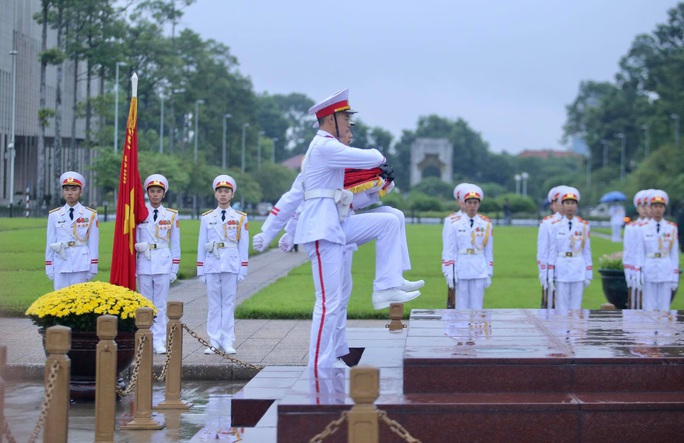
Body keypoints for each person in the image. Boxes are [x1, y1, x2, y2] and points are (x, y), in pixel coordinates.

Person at [297, 88, 421, 371]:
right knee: (328, 303)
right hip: (320, 230)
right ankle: (318, 366)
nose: (348, 124)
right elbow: (372, 157)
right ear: (331, 119)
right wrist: (379, 159)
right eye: (345, 118)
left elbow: (348, 198)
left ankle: (387, 286)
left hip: (336, 225)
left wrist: (377, 187)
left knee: (389, 219)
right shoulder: (324, 146)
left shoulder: (328, 147)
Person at [196, 175, 249, 355]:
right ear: (215, 194)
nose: (223, 194)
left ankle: (228, 341)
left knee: (228, 303)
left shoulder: (240, 217)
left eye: (227, 191)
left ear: (232, 194)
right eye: (220, 191)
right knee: (213, 305)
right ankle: (214, 341)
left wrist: (243, 268)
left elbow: (243, 245)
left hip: (231, 264)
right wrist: (200, 269)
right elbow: (201, 244)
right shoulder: (207, 218)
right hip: (212, 264)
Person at [134, 174, 180, 354]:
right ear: (147, 193)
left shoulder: (170, 215)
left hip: (162, 261)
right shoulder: (140, 213)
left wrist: (174, 267)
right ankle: (146, 337)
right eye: (152, 191)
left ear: (163, 194)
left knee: (160, 304)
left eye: (158, 192)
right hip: (144, 262)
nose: (155, 195)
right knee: (145, 303)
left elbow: (175, 244)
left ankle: (160, 340)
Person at [441, 184, 494, 309]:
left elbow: (488, 250)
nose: (472, 206)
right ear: (464, 203)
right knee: (461, 306)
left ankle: (476, 329)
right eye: (469, 202)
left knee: (477, 306)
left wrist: (489, 272)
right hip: (461, 267)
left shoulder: (486, 224)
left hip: (479, 268)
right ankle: (461, 329)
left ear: (479, 204)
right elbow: (450, 249)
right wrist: (449, 271)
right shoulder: (455, 224)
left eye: (475, 203)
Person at [45, 171, 99, 290]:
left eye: (74, 189)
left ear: (80, 192)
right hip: (61, 261)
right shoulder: (55, 215)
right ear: (63, 191)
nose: (70, 193)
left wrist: (93, 265)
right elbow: (50, 242)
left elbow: (93, 242)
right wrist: (49, 265)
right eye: (67, 189)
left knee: (79, 299)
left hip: (81, 262)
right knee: (60, 298)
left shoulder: (90, 214)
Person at [547, 187, 592, 310]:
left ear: (576, 206)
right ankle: (562, 330)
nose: (570, 206)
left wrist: (588, 273)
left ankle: (575, 329)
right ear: (562, 205)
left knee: (576, 306)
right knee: (562, 305)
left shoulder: (583, 226)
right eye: (567, 203)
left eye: (573, 203)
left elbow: (587, 251)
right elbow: (552, 251)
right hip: (561, 266)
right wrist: (551, 275)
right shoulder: (555, 226)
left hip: (578, 266)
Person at [634, 190, 679, 311]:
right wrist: (639, 272)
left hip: (665, 268)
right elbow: (640, 252)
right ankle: (649, 330)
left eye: (660, 206)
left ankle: (663, 330)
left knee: (664, 307)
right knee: (649, 306)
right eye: (655, 206)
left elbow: (674, 254)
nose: (658, 209)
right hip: (649, 267)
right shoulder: (643, 228)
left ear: (664, 209)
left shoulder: (671, 228)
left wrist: (675, 276)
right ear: (650, 208)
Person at [536, 185, 567, 308]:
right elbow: (543, 250)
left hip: (571, 269)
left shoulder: (578, 223)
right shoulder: (547, 223)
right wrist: (544, 271)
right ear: (553, 204)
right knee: (551, 306)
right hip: (552, 268)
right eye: (559, 202)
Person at [623, 190, 651, 309]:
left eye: (647, 205)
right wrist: (629, 270)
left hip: (653, 267)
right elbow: (629, 250)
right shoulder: (632, 227)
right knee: (636, 303)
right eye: (641, 205)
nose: (645, 209)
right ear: (637, 208)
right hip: (636, 268)